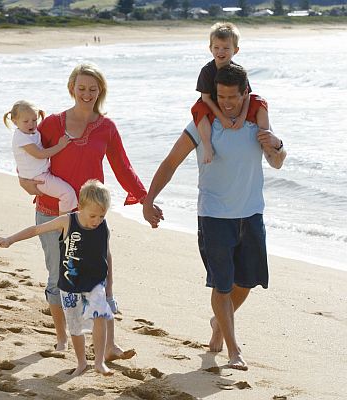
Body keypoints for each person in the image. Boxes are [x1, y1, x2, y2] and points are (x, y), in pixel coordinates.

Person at [143, 64, 286, 371]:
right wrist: (148, 200)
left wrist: (278, 145)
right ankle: (234, 350)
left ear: (245, 94)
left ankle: (220, 321)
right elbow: (170, 162)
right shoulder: (203, 124)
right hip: (214, 216)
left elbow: (276, 162)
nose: (227, 103)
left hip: (251, 214)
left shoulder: (255, 123)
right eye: (221, 97)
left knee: (245, 283)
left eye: (232, 97)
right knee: (222, 286)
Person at [19, 63, 148, 359]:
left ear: (100, 91)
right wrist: (25, 182)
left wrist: (144, 198)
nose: (86, 94)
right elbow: (28, 156)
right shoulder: (51, 124)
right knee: (58, 276)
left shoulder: (107, 127)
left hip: (92, 218)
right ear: (71, 89)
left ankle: (109, 346)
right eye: (81, 88)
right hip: (53, 212)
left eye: (92, 89)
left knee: (101, 277)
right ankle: (62, 338)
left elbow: (122, 166)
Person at [0, 180, 116, 376]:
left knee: (100, 317)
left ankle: (99, 362)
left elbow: (107, 254)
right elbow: (36, 230)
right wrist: (10, 239)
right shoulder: (67, 221)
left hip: (95, 284)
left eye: (101, 216)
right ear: (80, 207)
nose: (97, 221)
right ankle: (81, 362)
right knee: (75, 326)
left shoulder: (103, 227)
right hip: (70, 284)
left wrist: (109, 287)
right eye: (93, 216)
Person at [192, 22, 265, 164]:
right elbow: (205, 98)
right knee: (198, 108)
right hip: (212, 105)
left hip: (234, 105)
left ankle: (265, 141)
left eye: (226, 48)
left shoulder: (238, 70)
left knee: (259, 101)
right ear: (210, 48)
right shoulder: (207, 71)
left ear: (235, 50)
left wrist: (242, 117)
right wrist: (222, 118)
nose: (221, 52)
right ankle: (207, 145)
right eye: (216, 47)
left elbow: (247, 96)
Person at [4, 100, 75, 214]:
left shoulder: (31, 132)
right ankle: (64, 222)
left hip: (40, 172)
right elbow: (40, 154)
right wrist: (60, 145)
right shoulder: (21, 138)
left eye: (34, 120)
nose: (31, 124)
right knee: (67, 194)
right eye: (26, 121)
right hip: (37, 177)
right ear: (15, 121)